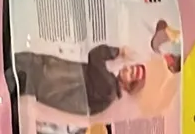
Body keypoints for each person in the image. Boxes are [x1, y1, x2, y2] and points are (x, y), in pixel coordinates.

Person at [13, 45, 147, 116]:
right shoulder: (108, 98)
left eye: (131, 74)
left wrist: (118, 51)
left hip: (44, 75)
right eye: (132, 67)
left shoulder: (108, 87)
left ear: (128, 86)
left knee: (13, 66)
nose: (128, 69)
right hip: (44, 87)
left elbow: (95, 55)